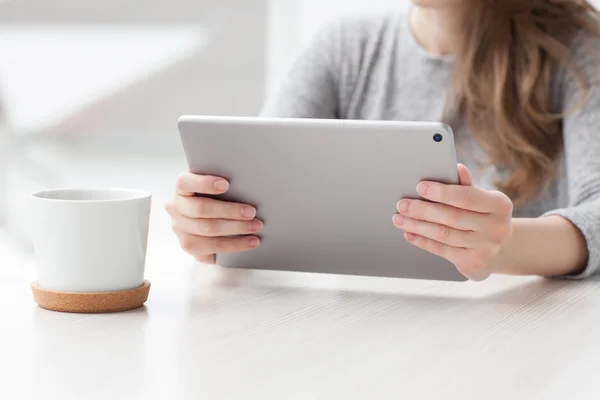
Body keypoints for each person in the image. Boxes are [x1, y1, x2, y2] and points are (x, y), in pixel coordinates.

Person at [165, 0, 600, 281]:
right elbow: (259, 186)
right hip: (365, 326)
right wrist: (213, 227)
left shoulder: (576, 49)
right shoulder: (344, 47)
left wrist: (505, 248)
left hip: (517, 335)